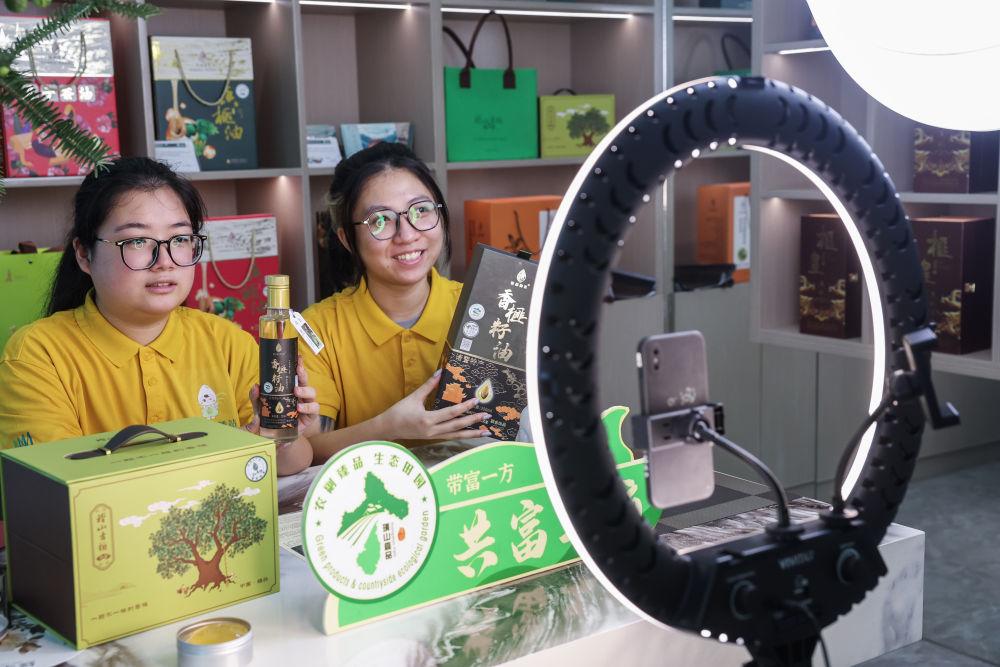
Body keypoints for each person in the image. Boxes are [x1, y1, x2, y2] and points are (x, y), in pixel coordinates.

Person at [0, 157, 317, 476]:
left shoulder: (227, 341)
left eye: (179, 239)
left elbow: (292, 463)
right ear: (84, 254)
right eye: (137, 241)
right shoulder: (36, 356)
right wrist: (237, 445)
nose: (164, 261)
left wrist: (281, 434)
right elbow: (61, 485)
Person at [303, 143, 489, 462]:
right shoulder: (315, 330)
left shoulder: (482, 310)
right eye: (381, 220)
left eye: (421, 210)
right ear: (347, 238)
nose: (407, 235)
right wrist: (387, 427)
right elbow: (306, 451)